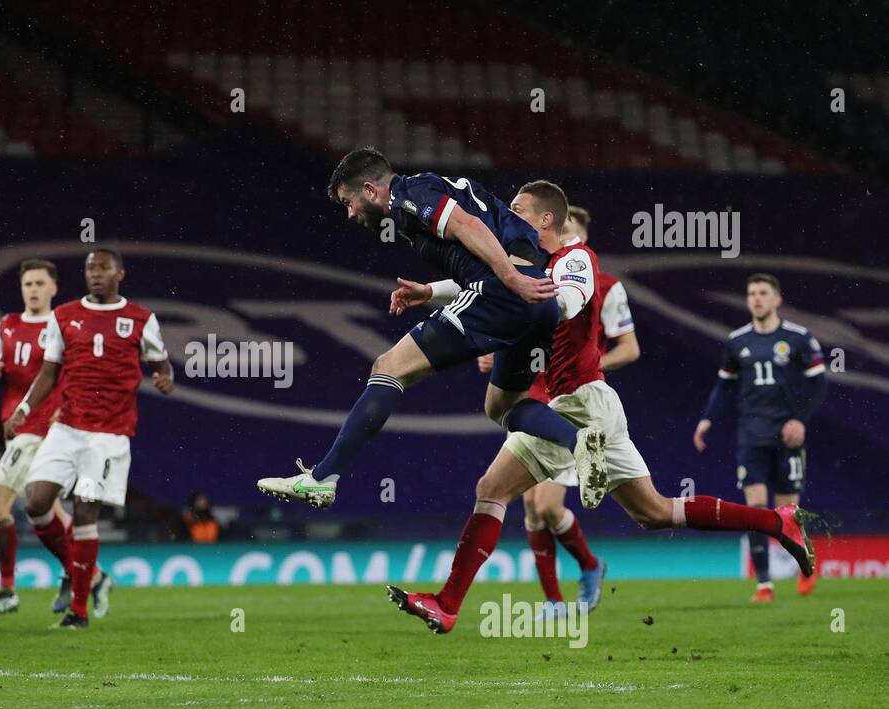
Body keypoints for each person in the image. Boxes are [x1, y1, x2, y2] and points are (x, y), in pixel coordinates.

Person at [384, 184, 817, 635]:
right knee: (652, 512)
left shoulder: (576, 260)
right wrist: (431, 291)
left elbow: (565, 300)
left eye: (517, 209)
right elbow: (491, 281)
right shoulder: (530, 264)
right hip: (584, 401)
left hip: (579, 403)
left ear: (546, 219)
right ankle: (777, 521)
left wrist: (514, 323)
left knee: (493, 488)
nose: (507, 215)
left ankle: (449, 603)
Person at [257, 148, 610, 512]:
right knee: (502, 406)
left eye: (349, 202)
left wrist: (511, 279)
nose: (350, 214)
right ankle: (579, 441)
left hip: (507, 292)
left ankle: (322, 479)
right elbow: (503, 244)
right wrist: (431, 291)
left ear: (370, 189)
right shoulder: (433, 191)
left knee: (388, 368)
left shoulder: (408, 194)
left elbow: (467, 227)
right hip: (536, 302)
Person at [477, 205, 641, 617]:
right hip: (533, 394)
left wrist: (591, 362)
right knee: (531, 507)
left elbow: (631, 348)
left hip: (572, 398)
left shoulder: (603, 284)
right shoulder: (536, 275)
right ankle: (553, 601)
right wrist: (496, 356)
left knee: (547, 506)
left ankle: (589, 566)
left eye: (572, 232)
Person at [4, 248, 174, 629]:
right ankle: (90, 573)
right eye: (89, 268)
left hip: (109, 437)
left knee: (84, 510)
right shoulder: (64, 316)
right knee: (35, 502)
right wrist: (24, 410)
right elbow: (49, 373)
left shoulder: (140, 319)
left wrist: (165, 378)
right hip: (66, 429)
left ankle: (78, 609)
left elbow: (161, 364)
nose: (95, 274)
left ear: (120, 274)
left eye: (103, 268)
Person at [694, 274, 828, 601]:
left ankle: (807, 567)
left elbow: (818, 384)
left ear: (777, 299)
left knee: (788, 513)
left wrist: (799, 419)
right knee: (755, 509)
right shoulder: (737, 341)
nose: (756, 298)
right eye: (751, 293)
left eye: (763, 293)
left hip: (787, 436)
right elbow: (724, 384)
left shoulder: (798, 338)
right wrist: (707, 420)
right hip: (751, 436)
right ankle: (764, 585)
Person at [0, 258, 79, 617]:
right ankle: (89, 574)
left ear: (53, 288)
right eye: (27, 284)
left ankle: (7, 589)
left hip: (40, 431)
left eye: (39, 284)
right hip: (14, 428)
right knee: (47, 511)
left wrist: (62, 410)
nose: (32, 290)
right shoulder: (8, 324)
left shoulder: (62, 326)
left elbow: (73, 376)